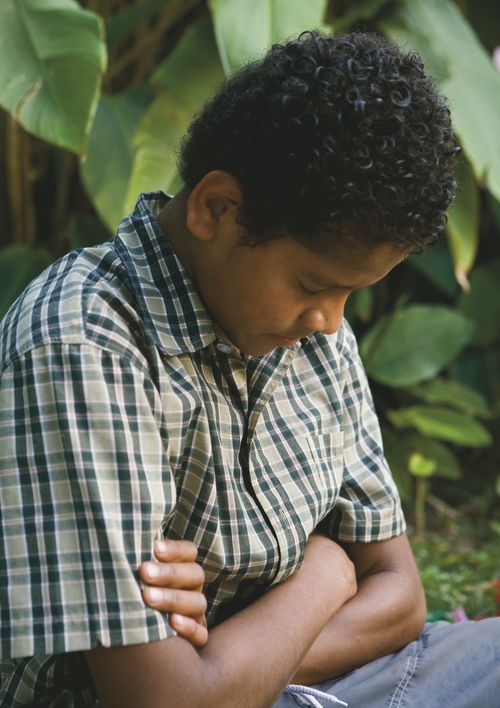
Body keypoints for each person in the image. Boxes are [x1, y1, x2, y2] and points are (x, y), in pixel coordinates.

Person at [0, 29, 498, 708]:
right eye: (313, 284)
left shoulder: (313, 333)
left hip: (328, 682)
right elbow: (164, 699)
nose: (330, 320)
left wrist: (235, 654)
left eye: (349, 293)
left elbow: (400, 596)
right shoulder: (85, 341)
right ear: (216, 208)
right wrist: (325, 574)